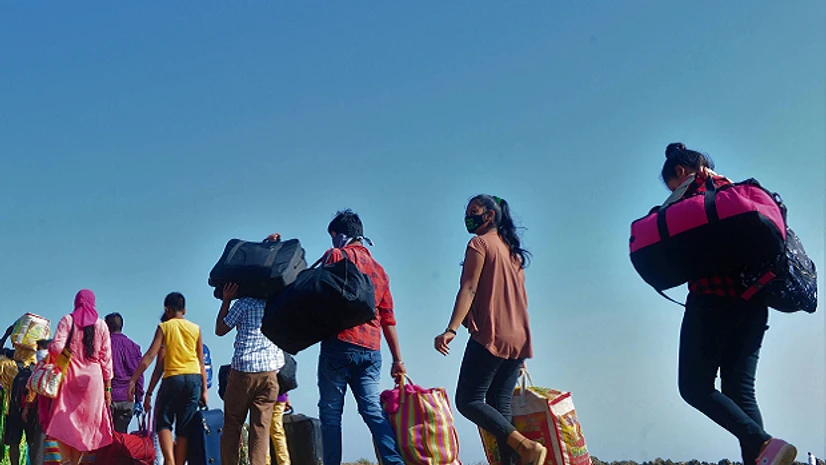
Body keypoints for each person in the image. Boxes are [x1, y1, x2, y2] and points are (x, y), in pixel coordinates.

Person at [659, 143, 797, 465]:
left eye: (671, 184)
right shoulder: (740, 191)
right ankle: (764, 457)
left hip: (711, 300)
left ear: (679, 172)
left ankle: (763, 442)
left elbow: (663, 233)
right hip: (755, 304)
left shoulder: (690, 193)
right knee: (740, 393)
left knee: (694, 387)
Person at [434, 195, 546, 465]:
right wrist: (520, 352)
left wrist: (451, 329)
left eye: (474, 212)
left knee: (468, 400)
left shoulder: (479, 243)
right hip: (519, 338)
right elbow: (522, 299)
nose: (468, 217)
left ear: (490, 216)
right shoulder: (512, 252)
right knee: (499, 403)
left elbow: (469, 287)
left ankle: (527, 447)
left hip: (492, 336)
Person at [312, 209, 406, 465]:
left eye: (333, 236)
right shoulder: (380, 271)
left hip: (340, 344)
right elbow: (388, 320)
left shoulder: (336, 256)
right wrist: (398, 360)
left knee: (331, 414)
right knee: (373, 411)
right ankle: (395, 463)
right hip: (372, 350)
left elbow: (323, 297)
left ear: (340, 235)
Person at [216, 241, 285, 465]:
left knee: (233, 425)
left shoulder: (244, 304)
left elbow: (220, 329)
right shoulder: (274, 303)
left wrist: (226, 301)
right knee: (261, 430)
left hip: (244, 370)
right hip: (270, 373)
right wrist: (272, 244)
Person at [128, 292, 207, 465]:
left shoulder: (165, 327)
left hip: (173, 378)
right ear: (184, 310)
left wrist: (134, 379)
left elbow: (151, 356)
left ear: (167, 310)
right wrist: (205, 390)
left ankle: (169, 461)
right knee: (183, 429)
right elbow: (201, 361)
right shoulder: (196, 329)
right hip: (194, 379)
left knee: (163, 423)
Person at [46, 289, 114, 465]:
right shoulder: (102, 325)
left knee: (64, 421)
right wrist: (108, 389)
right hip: (94, 382)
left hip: (70, 377)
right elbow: (106, 360)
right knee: (84, 425)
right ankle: (75, 462)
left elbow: (55, 348)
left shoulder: (67, 320)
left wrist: (65, 355)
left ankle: (67, 460)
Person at [0, 323, 42, 465]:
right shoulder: (37, 368)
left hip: (13, 410)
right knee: (33, 444)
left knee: (14, 443)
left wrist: (6, 334)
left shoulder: (9, 366)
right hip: (32, 411)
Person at [105, 312, 145, 433]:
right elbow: (139, 374)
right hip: (127, 399)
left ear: (107, 327)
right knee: (121, 438)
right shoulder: (134, 347)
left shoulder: (104, 346)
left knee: (106, 440)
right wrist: (139, 398)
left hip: (108, 397)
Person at [266, 392, 291, 465]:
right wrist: (286, 396)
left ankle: (265, 462)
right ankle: (284, 462)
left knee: (262, 432)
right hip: (279, 395)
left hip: (262, 397)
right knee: (277, 431)